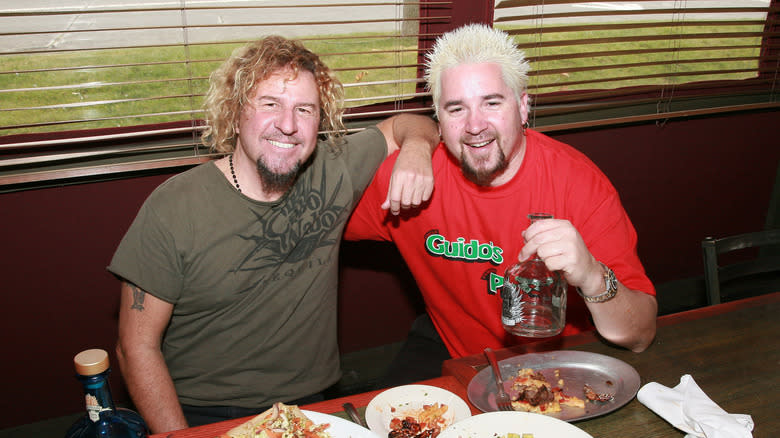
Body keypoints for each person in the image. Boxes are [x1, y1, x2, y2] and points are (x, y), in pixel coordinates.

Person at [108, 35, 438, 433]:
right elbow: (135, 347)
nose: (288, 124)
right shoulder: (173, 208)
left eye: (305, 109)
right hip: (204, 412)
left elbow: (410, 124)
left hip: (315, 404)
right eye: (270, 104)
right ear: (234, 112)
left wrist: (417, 150)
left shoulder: (332, 171)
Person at [345, 24, 658, 382]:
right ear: (439, 121)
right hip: (459, 357)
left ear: (523, 107)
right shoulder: (412, 181)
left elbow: (640, 336)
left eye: (492, 103)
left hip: (562, 368)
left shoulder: (578, 184)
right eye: (456, 109)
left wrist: (591, 275)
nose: (475, 125)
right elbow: (312, 220)